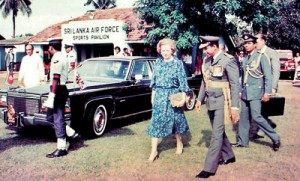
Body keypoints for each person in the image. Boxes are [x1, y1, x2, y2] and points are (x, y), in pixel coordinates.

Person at [194, 36, 240, 179]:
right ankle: (229, 155)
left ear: (215, 46)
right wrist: (199, 99)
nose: (205, 51)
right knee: (218, 131)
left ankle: (209, 168)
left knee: (216, 134)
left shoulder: (228, 60)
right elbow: (205, 82)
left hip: (222, 102)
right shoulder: (207, 61)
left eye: (207, 48)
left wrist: (235, 107)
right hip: (210, 101)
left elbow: (235, 85)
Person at [232, 34, 281, 151]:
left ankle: (275, 138)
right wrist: (240, 91)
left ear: (255, 44)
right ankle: (243, 142)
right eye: (245, 43)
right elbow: (243, 76)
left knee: (257, 117)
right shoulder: (245, 58)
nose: (246, 45)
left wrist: (267, 93)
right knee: (243, 118)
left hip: (256, 92)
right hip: (245, 92)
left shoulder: (261, 57)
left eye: (249, 43)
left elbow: (268, 77)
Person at [146, 38, 190, 162]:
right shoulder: (158, 63)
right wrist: (153, 97)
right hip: (159, 94)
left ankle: (179, 143)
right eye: (162, 50)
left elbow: (183, 82)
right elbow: (153, 82)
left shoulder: (178, 63)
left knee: (176, 120)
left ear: (172, 50)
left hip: (173, 95)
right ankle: (154, 151)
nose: (165, 52)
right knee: (156, 121)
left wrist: (182, 97)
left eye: (167, 50)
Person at [44, 38, 80, 158]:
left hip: (58, 90)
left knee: (57, 117)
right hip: (57, 89)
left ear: (51, 48)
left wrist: (52, 95)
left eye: (48, 48)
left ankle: (61, 147)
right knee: (49, 117)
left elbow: (56, 78)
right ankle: (71, 132)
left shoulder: (58, 58)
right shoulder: (59, 57)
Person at [250, 33, 280, 139]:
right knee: (258, 109)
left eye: (256, 41)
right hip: (257, 86)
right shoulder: (255, 53)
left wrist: (273, 87)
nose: (255, 44)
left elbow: (275, 71)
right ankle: (268, 124)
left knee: (263, 110)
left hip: (267, 86)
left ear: (263, 41)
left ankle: (262, 130)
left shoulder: (271, 53)